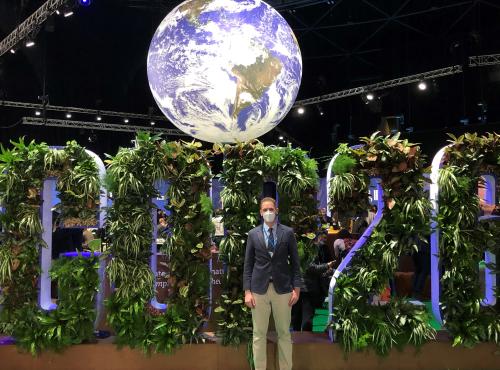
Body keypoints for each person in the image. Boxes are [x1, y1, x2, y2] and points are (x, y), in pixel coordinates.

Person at [244, 197, 301, 370]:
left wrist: (296, 289)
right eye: (265, 210)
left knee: (284, 333)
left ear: (276, 211)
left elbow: (296, 264)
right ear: (261, 213)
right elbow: (248, 265)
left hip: (283, 290)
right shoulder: (253, 234)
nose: (268, 212)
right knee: (258, 335)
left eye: (271, 209)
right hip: (258, 291)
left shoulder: (288, 233)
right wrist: (247, 291)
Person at [292, 230, 334, 331]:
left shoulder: (297, 248)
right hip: (306, 288)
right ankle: (305, 343)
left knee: (297, 318)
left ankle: (298, 341)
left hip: (299, 287)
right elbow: (311, 268)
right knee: (306, 319)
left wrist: (326, 270)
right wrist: (327, 266)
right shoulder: (306, 251)